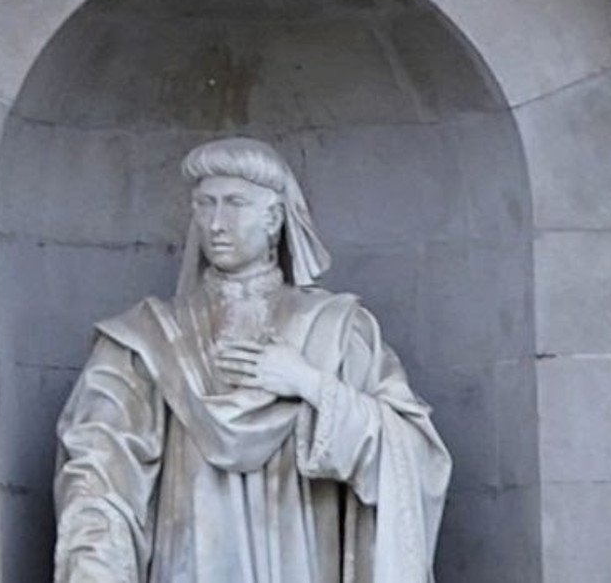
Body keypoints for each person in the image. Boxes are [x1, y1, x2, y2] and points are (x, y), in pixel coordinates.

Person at [51, 135, 446, 583]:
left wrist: (308, 383)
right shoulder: (145, 337)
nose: (216, 223)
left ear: (274, 217)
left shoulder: (336, 328)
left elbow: (415, 455)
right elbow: (99, 472)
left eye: (235, 203)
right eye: (204, 204)